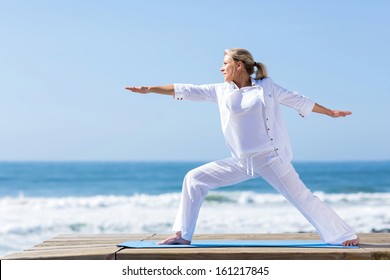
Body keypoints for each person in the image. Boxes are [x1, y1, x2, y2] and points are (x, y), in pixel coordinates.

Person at [125, 48, 359, 246]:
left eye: (224, 63)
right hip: (241, 161)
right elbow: (186, 89)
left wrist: (330, 112)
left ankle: (343, 234)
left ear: (238, 65)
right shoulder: (221, 90)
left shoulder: (267, 87)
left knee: (302, 197)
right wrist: (150, 89)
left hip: (270, 158)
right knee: (194, 179)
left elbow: (298, 100)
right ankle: (182, 234)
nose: (220, 68)